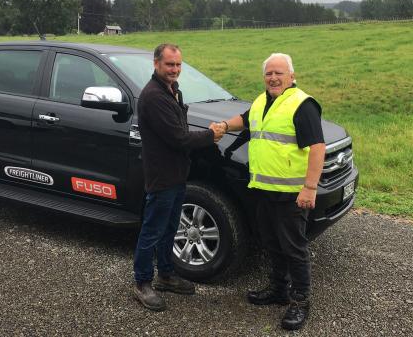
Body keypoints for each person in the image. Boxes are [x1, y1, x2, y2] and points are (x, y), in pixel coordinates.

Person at [218, 53, 325, 330]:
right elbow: (246, 118)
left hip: (292, 194)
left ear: (291, 76)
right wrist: (224, 126)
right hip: (264, 189)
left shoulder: (302, 105)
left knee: (294, 248)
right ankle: (278, 290)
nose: (273, 78)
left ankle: (300, 301)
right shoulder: (262, 101)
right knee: (271, 243)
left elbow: (317, 148)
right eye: (269, 74)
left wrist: (310, 188)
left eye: (279, 73)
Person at [133, 43, 225, 311]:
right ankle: (142, 283)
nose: (174, 69)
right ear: (156, 64)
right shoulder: (153, 97)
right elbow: (179, 138)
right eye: (169, 64)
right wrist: (211, 135)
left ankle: (165, 275)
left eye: (178, 65)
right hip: (162, 177)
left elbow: (179, 128)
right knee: (152, 230)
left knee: (170, 229)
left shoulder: (172, 90)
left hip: (176, 175)